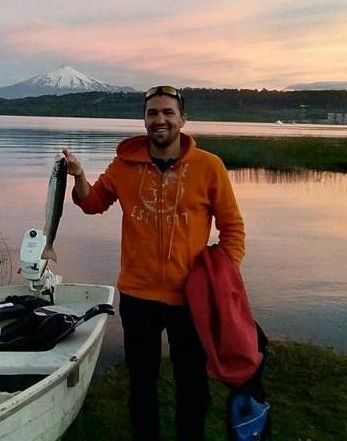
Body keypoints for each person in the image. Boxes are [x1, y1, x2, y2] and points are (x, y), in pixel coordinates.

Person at [63, 85, 245, 441]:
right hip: (137, 295)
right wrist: (79, 176)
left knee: (192, 382)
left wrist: (222, 278)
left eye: (167, 113)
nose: (159, 120)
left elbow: (232, 228)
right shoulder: (123, 165)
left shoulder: (209, 167)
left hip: (190, 297)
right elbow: (92, 203)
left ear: (182, 119)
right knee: (141, 383)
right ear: (144, 120)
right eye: (152, 114)